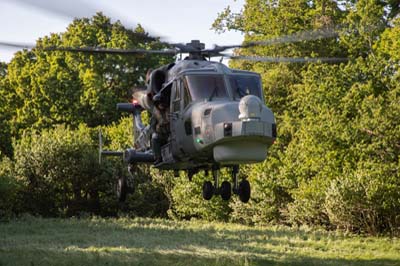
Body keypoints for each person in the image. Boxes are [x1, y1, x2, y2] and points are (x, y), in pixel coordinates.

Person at [151, 94, 170, 165]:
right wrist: (155, 132)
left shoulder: (170, 109)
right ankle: (158, 158)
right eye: (159, 103)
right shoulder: (155, 114)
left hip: (171, 133)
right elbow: (152, 126)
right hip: (162, 135)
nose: (161, 105)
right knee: (154, 138)